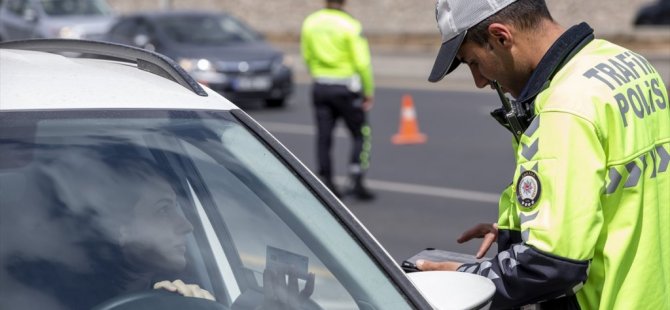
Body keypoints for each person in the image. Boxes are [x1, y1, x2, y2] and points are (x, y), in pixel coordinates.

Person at [416, 0, 670, 309]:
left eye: (473, 62)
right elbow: (626, 190)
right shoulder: (629, 63)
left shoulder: (564, 108)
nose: (479, 80)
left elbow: (554, 265)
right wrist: (533, 225)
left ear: (501, 37)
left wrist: (468, 276)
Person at [5, 151, 214, 309]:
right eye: (163, 210)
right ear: (116, 227)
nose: (187, 226)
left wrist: (199, 305)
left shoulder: (184, 290)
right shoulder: (40, 299)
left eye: (175, 208)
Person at [300, 0, 376, 200]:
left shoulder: (311, 22)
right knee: (361, 133)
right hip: (346, 87)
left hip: (320, 85)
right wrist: (368, 90)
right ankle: (356, 179)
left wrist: (318, 73)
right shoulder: (350, 25)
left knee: (324, 136)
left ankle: (327, 181)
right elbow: (362, 62)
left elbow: (306, 55)